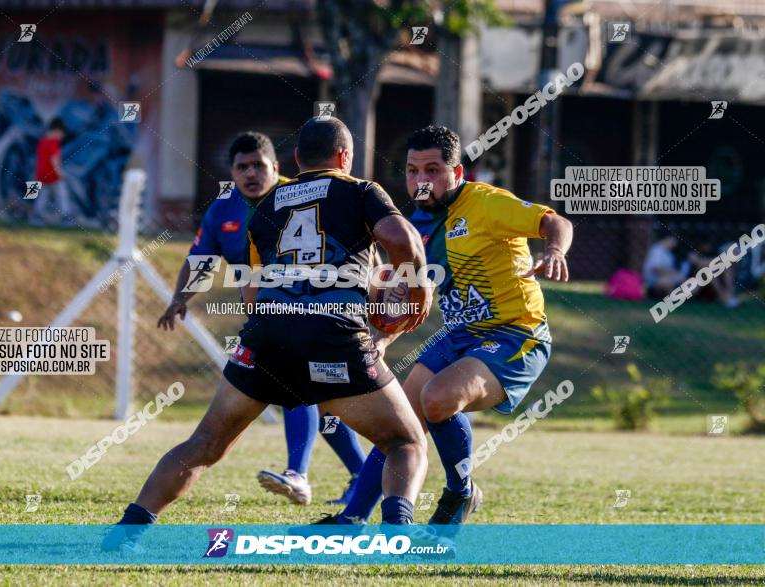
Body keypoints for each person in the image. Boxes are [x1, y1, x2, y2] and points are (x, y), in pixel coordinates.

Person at [102, 117, 431, 551]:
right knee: (404, 440)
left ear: (295, 160)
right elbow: (402, 236)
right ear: (345, 158)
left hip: (265, 336)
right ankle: (398, 536)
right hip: (333, 337)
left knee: (205, 443)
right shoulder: (360, 190)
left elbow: (253, 294)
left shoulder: (266, 207)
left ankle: (127, 532)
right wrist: (418, 289)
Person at [316, 125, 573, 531]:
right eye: (413, 170)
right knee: (396, 423)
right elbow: (422, 294)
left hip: (515, 335)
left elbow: (553, 221)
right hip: (458, 337)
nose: (421, 180)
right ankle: (351, 519)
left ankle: (460, 491)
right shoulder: (416, 223)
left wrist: (554, 249)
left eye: (433, 170)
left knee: (437, 399)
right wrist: (384, 337)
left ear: (457, 172)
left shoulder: (487, 202)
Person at [159, 131, 366, 506]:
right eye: (242, 167)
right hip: (265, 318)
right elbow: (202, 259)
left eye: (259, 165)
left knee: (298, 385)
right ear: (232, 173)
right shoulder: (222, 210)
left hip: (321, 313)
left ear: (276, 166)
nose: (251, 173)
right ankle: (364, 477)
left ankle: (301, 475)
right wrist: (179, 298)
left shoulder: (302, 195)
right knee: (322, 400)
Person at [32, 118, 72, 225]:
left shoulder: (42, 141)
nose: (61, 137)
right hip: (53, 175)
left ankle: (36, 216)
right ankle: (66, 217)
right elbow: (54, 160)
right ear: (57, 130)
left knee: (42, 196)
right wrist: (60, 173)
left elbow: (39, 159)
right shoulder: (54, 142)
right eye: (61, 134)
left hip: (42, 174)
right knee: (62, 195)